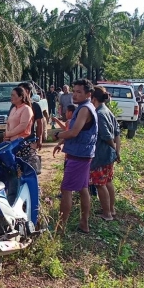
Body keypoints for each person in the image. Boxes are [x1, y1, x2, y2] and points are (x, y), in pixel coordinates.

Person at [52, 79, 97, 233]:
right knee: (83, 188)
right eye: (74, 91)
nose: (75, 95)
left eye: (79, 92)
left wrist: (58, 135)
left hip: (79, 155)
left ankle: (60, 227)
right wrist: (62, 141)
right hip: (83, 154)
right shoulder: (85, 107)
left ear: (88, 94)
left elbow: (74, 132)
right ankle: (84, 223)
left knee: (66, 189)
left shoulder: (85, 109)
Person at [90, 86, 121, 221]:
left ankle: (107, 214)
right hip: (109, 155)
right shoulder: (107, 111)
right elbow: (117, 133)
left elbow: (107, 136)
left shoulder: (99, 114)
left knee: (100, 184)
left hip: (102, 155)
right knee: (108, 182)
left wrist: (114, 148)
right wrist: (117, 151)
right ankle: (110, 209)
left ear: (94, 99)